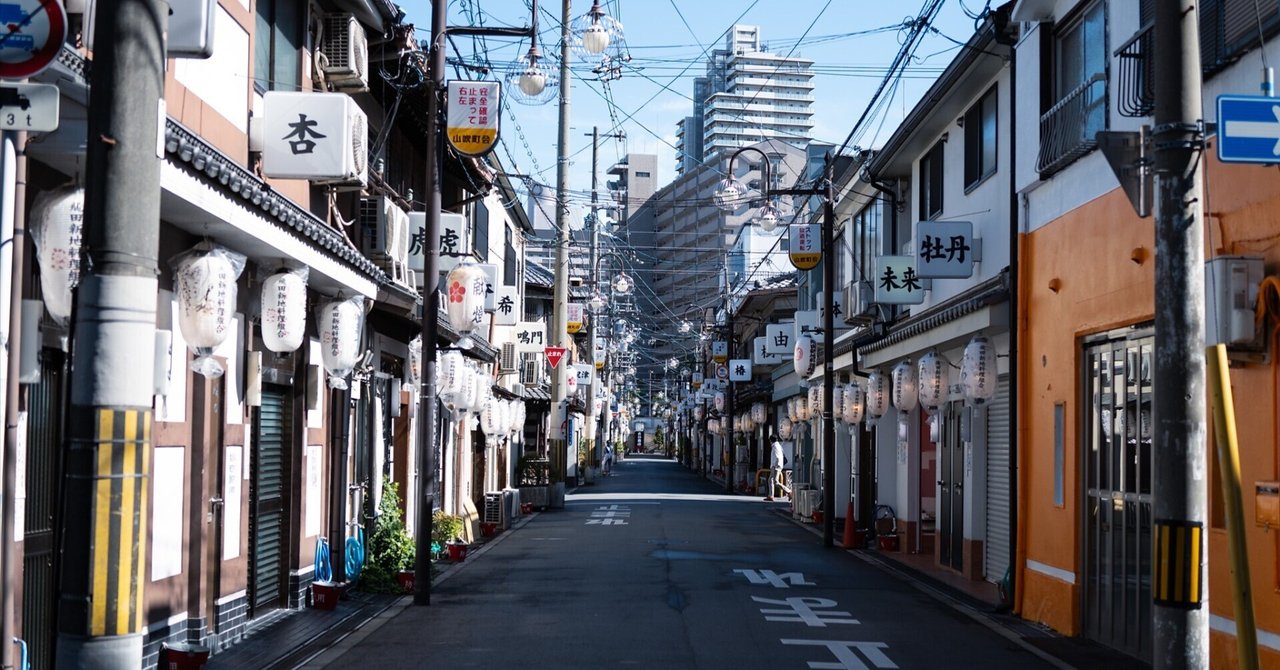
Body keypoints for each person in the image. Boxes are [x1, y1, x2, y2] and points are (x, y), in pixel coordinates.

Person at [767, 430, 786, 500]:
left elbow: (777, 457)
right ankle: (771, 495)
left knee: (775, 481)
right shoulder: (778, 446)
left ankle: (788, 491)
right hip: (776, 466)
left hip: (776, 466)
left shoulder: (776, 447)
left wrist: (775, 466)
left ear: (771, 440)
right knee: (770, 480)